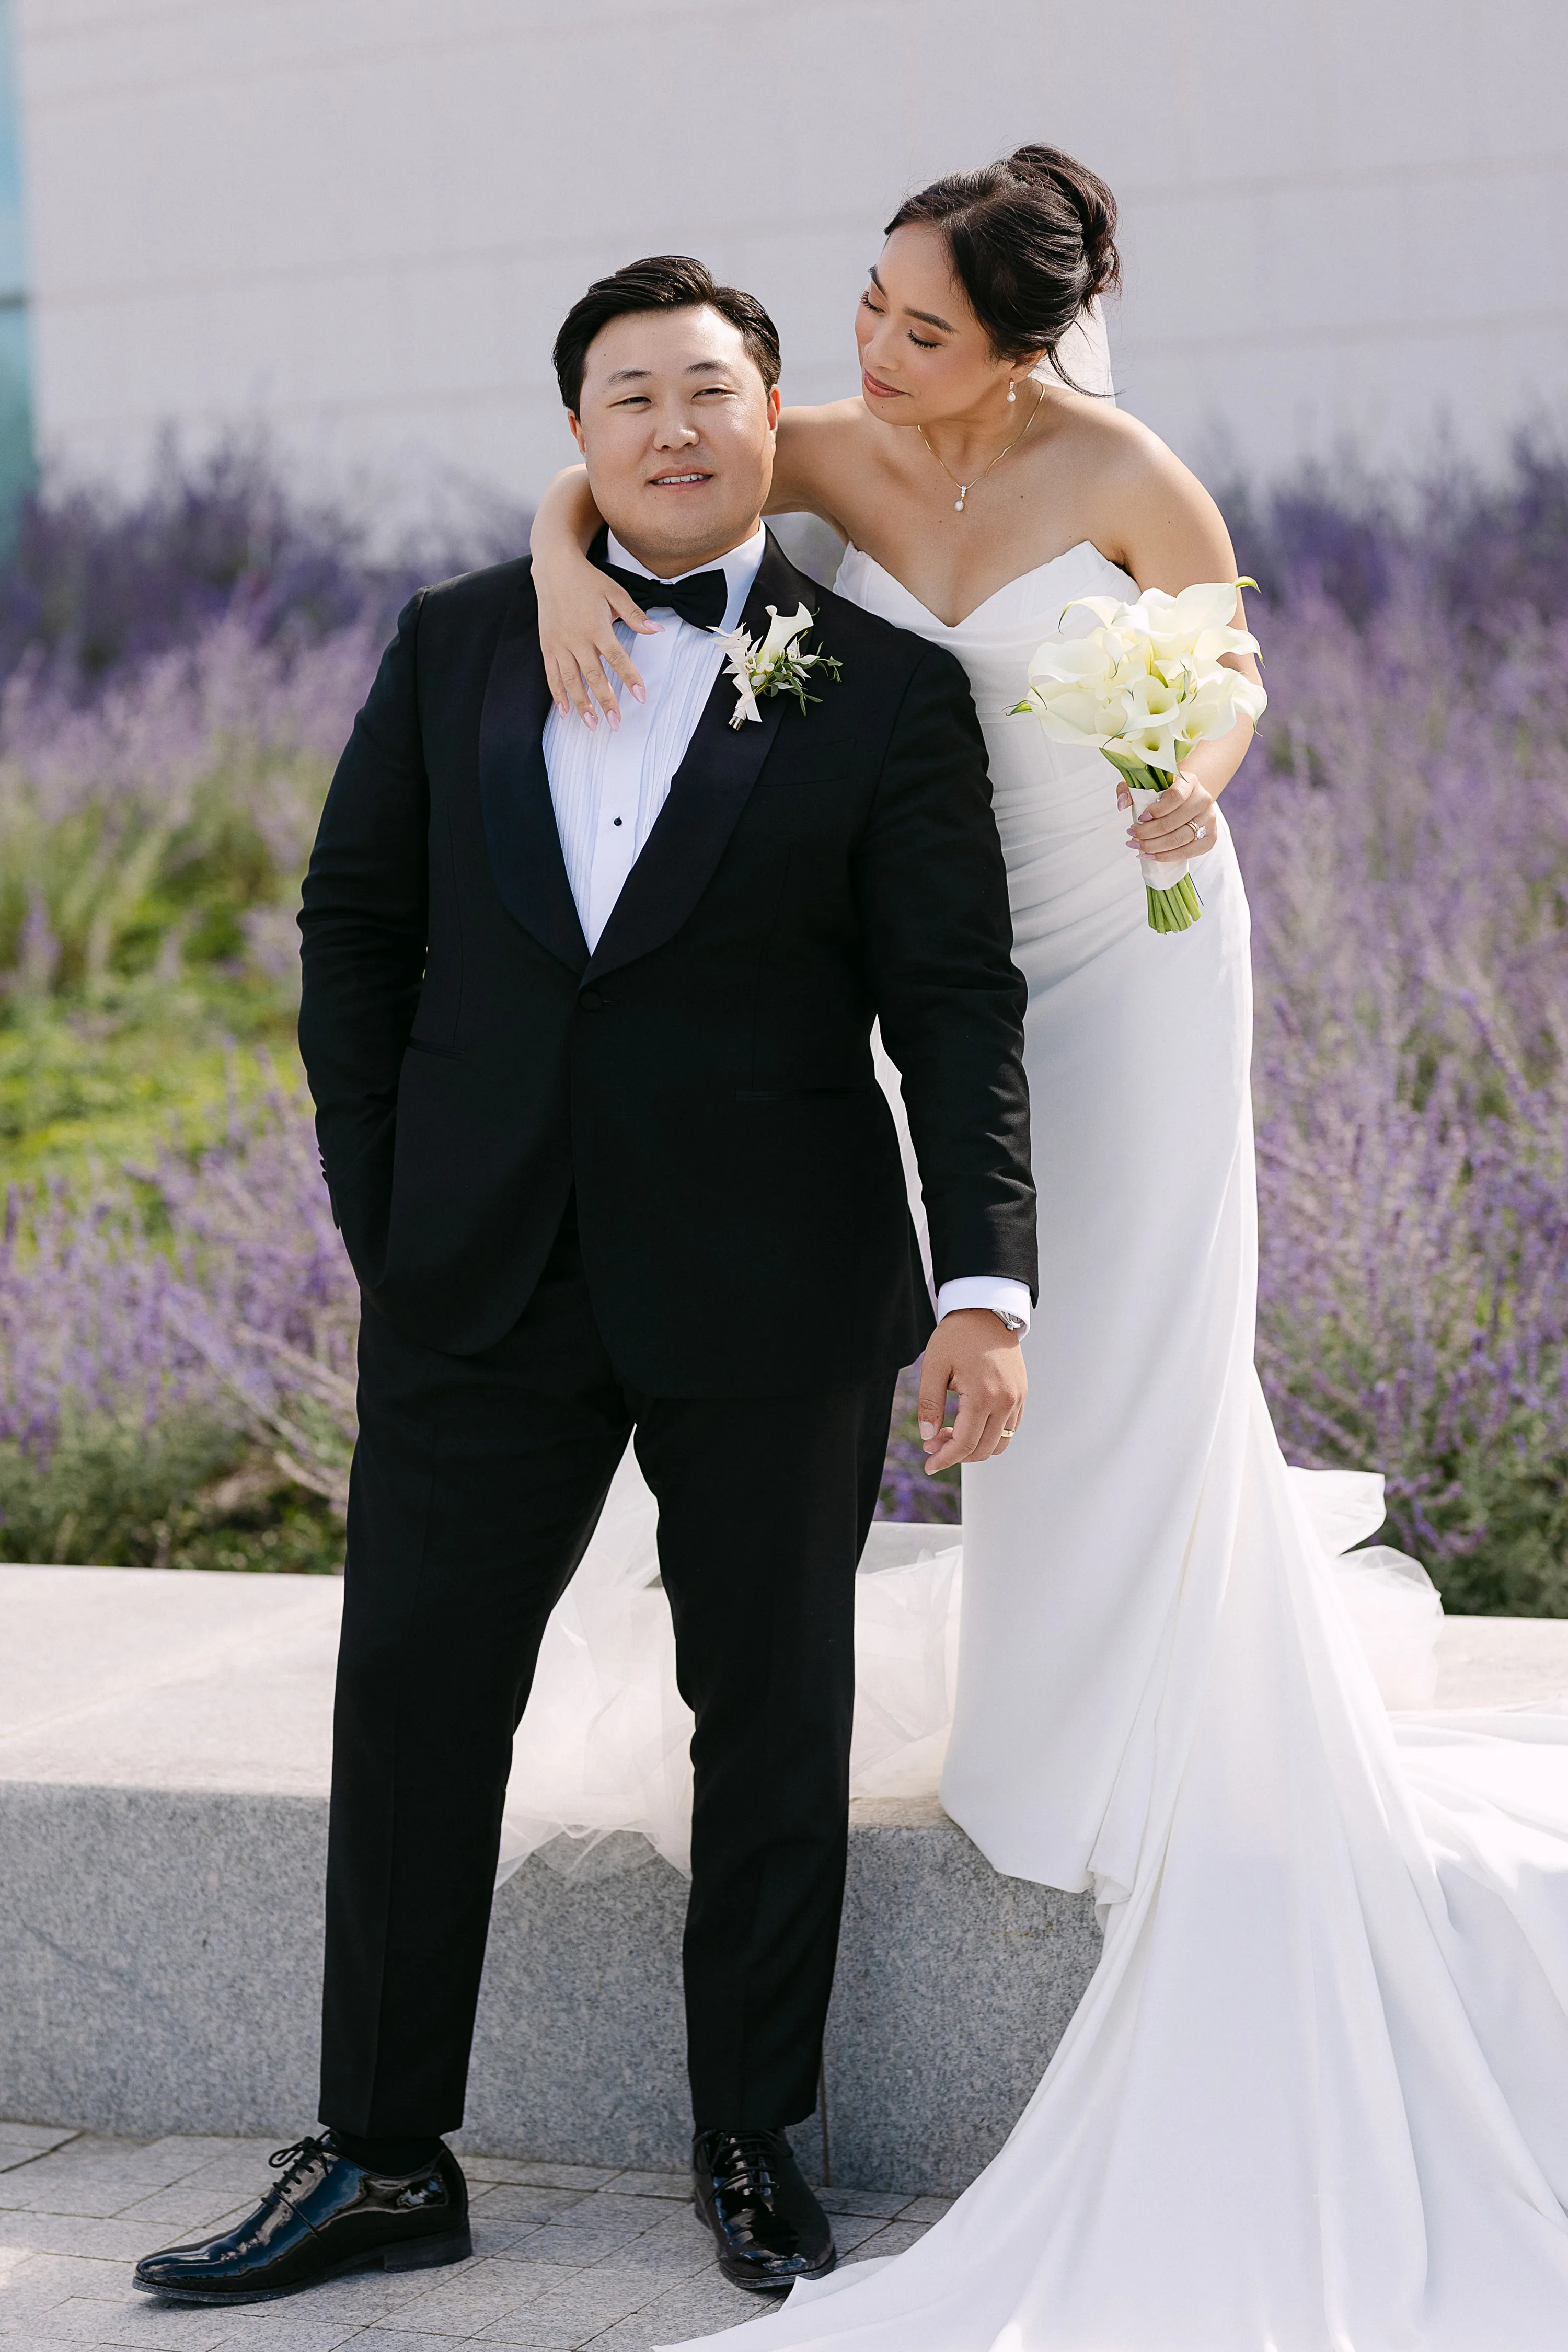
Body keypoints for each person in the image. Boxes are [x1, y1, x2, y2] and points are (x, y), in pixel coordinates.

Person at [528, 149, 1568, 2350]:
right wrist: (556, 569)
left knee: (1144, 1340)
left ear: (1021, 342)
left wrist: (1198, 770)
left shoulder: (1121, 467)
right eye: (871, 305)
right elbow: (626, 474)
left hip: (1147, 948)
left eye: (920, 325)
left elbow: (1229, 678)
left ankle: (1126, 1727)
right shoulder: (819, 439)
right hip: (946, 980)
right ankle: (1041, 1712)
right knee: (993, 1335)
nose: (874, 351)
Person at [131, 255, 1037, 2311]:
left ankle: (753, 2139)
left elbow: (959, 1011)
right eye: (629, 394)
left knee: (774, 1715)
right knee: (417, 1703)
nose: (673, 424)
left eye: (711, 387)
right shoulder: (462, 639)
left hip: (777, 1283)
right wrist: (391, 1201)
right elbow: (353, 928)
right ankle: (379, 2157)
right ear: (579, 436)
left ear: (772, 411)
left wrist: (985, 1284)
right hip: (482, 1276)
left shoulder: (878, 688)